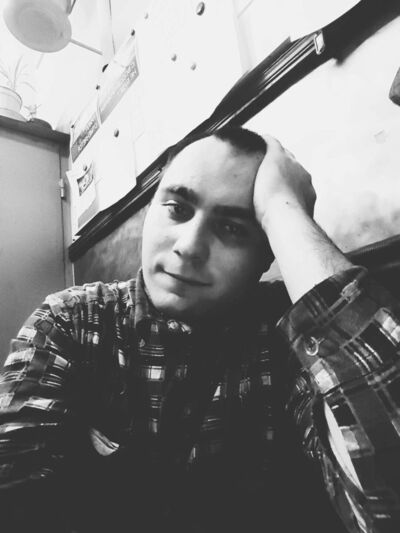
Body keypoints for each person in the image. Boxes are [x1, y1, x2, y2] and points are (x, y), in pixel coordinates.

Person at [0, 126, 399, 533]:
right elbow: (14, 497)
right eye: (177, 209)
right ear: (150, 211)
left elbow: (387, 498)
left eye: (233, 229)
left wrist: (283, 211)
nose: (189, 246)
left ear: (267, 253)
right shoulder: (72, 320)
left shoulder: (285, 333)